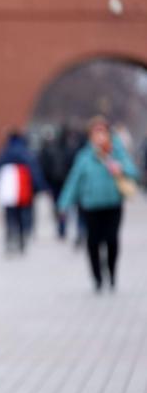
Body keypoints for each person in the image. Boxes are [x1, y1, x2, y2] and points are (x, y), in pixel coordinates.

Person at [58, 116, 139, 292]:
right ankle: (97, 277)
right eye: (96, 132)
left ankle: (111, 272)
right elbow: (74, 181)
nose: (99, 136)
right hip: (91, 206)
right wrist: (64, 204)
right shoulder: (84, 156)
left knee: (111, 240)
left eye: (102, 131)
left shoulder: (117, 153)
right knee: (93, 242)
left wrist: (121, 168)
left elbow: (134, 173)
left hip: (112, 204)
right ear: (90, 136)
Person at [0, 129, 47, 254]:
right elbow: (34, 170)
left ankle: (10, 238)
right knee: (23, 215)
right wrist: (38, 187)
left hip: (8, 190)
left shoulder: (5, 151)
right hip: (23, 189)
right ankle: (22, 239)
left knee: (9, 215)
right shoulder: (26, 152)